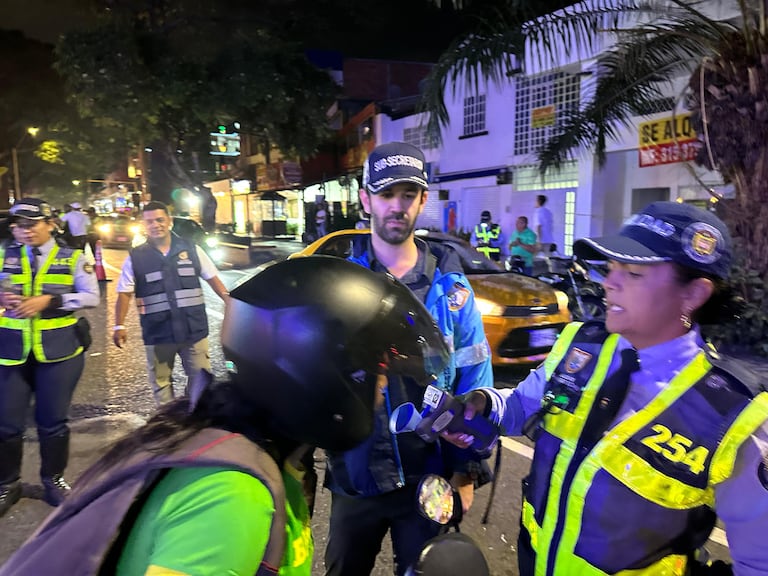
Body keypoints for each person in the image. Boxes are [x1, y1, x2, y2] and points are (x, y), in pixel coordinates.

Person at [0, 257, 452, 576]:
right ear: (320, 376)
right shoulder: (231, 497)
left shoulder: (236, 441)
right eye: (373, 372)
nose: (380, 390)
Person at [449, 201, 768, 576]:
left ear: (694, 294)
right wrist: (486, 404)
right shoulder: (579, 345)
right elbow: (523, 406)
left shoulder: (731, 414)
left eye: (633, 273)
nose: (608, 282)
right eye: (611, 267)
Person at [323, 141, 494, 576]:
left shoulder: (453, 292)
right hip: (356, 476)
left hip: (429, 476)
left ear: (422, 200)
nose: (396, 207)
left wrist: (468, 470)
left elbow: (475, 382)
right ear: (365, 200)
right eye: (385, 195)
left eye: (407, 195)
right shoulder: (340, 287)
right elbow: (315, 380)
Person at [0, 198, 99, 517]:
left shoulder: (73, 256)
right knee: (6, 424)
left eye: (31, 224)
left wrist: (49, 301)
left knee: (52, 422)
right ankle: (7, 483)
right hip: (10, 350)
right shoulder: (4, 253)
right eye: (18, 226)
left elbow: (91, 297)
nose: (24, 232)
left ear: (50, 224)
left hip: (59, 351)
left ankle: (53, 479)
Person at [113, 201, 229, 405]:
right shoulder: (136, 258)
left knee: (201, 380)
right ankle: (168, 425)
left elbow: (213, 280)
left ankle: (196, 420)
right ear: (144, 225)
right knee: (161, 384)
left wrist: (231, 304)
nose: (155, 225)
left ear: (170, 222)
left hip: (193, 330)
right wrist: (119, 325)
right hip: (158, 332)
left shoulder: (192, 250)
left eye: (160, 219)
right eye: (149, 221)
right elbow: (124, 294)